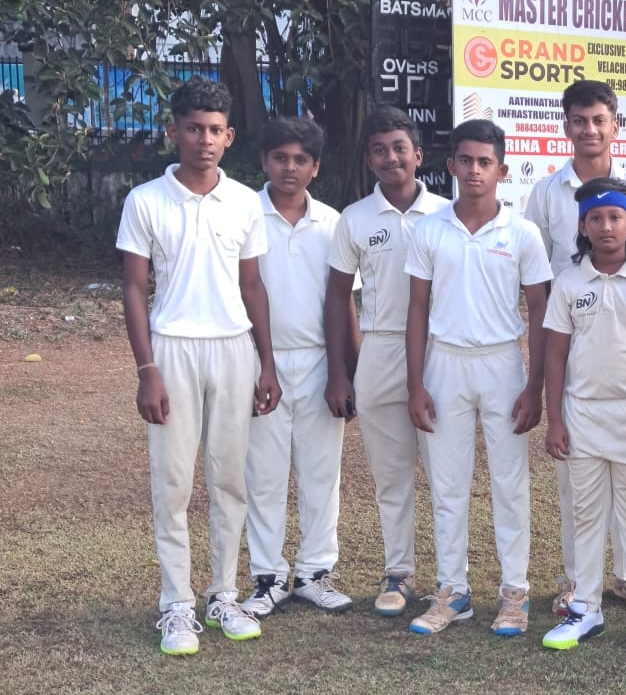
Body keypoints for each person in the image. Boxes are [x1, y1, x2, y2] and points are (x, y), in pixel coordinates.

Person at [117, 75, 281, 655]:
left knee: (230, 479)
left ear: (229, 136)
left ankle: (222, 594)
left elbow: (253, 285)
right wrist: (147, 370)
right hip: (173, 348)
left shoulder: (244, 201)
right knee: (173, 483)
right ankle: (176, 605)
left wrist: (268, 363)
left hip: (234, 348)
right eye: (193, 128)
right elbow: (135, 290)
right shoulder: (145, 200)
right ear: (174, 131)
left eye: (215, 130)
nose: (204, 140)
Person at [403, 119, 551, 637]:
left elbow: (539, 311)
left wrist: (534, 387)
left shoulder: (523, 233)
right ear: (450, 166)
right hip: (444, 363)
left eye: (484, 162)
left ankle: (515, 592)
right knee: (447, 484)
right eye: (465, 161)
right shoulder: (429, 228)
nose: (474, 171)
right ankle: (453, 591)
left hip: (502, 363)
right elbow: (417, 309)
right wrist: (415, 383)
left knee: (510, 482)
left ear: (502, 169)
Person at [524, 79, 626, 617]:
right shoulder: (545, 192)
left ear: (614, 125)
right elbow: (534, 269)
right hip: (570, 337)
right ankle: (579, 585)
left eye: (599, 119)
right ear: (566, 127)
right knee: (576, 477)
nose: (589, 129)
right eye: (579, 120)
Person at [542, 179, 626, 658]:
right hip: (582, 417)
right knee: (585, 516)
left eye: (615, 217)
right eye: (595, 219)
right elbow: (555, 355)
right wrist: (554, 420)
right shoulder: (569, 281)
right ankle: (586, 609)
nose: (606, 226)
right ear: (582, 226)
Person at [324, 107, 447, 615]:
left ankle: (451, 577)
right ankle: (399, 573)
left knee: (445, 471)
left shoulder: (447, 213)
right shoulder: (354, 218)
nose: (390, 157)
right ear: (369, 158)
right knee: (392, 474)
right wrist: (342, 371)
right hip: (380, 346)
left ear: (418, 154)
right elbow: (337, 298)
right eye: (379, 150)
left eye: (399, 147)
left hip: (440, 348)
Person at [242, 116, 357, 616]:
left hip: (318, 361)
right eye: (280, 158)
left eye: (300, 160)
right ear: (263, 161)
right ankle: (267, 576)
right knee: (263, 472)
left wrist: (345, 373)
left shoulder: (334, 224)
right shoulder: (244, 214)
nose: (289, 168)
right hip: (254, 359)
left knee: (320, 470)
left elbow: (345, 304)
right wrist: (259, 363)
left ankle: (314, 571)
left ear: (315, 166)